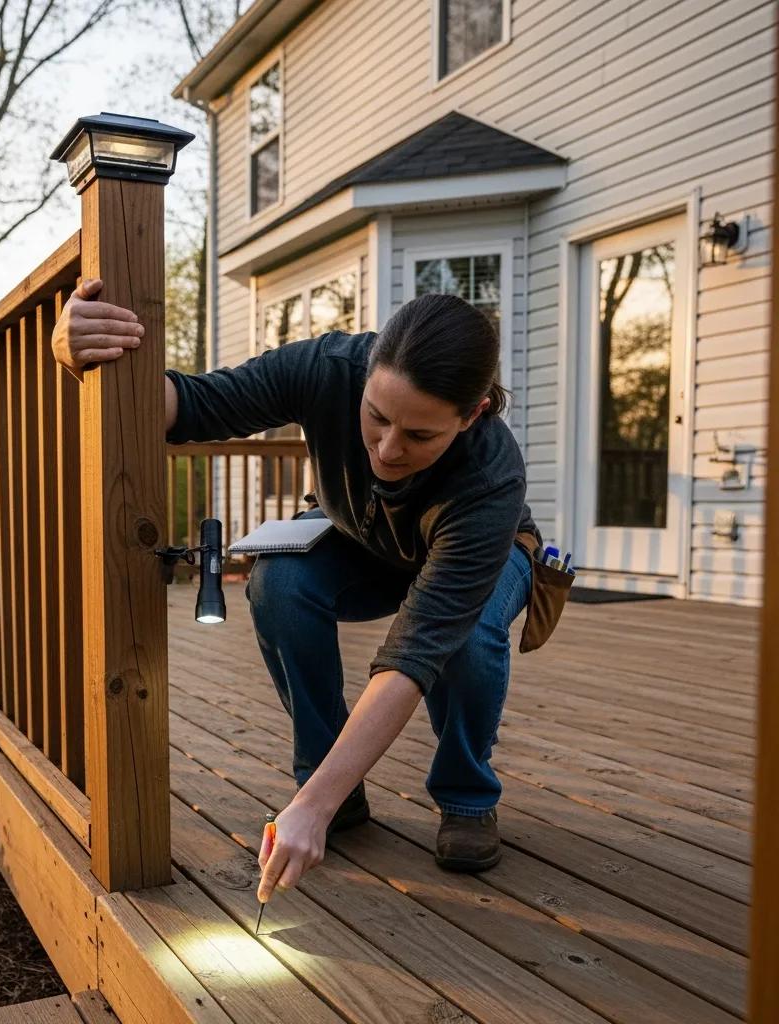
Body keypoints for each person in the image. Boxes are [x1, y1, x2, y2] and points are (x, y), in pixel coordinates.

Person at [51, 277, 550, 908]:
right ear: (366, 374)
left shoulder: (490, 475)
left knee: (469, 637)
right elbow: (190, 405)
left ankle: (466, 796)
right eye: (376, 417)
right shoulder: (325, 366)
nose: (388, 450)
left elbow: (413, 653)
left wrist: (306, 811)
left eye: (421, 436)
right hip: (363, 542)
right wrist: (77, 357)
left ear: (471, 414)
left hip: (484, 555)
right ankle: (327, 776)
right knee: (280, 581)